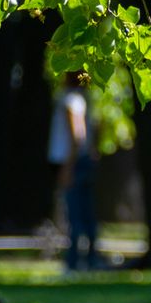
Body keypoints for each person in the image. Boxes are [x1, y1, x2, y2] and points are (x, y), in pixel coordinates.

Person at [47, 72, 100, 272]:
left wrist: (68, 166)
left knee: (75, 214)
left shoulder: (71, 99)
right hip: (82, 161)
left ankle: (74, 262)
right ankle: (91, 258)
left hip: (73, 163)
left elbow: (77, 135)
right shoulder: (84, 99)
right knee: (86, 213)